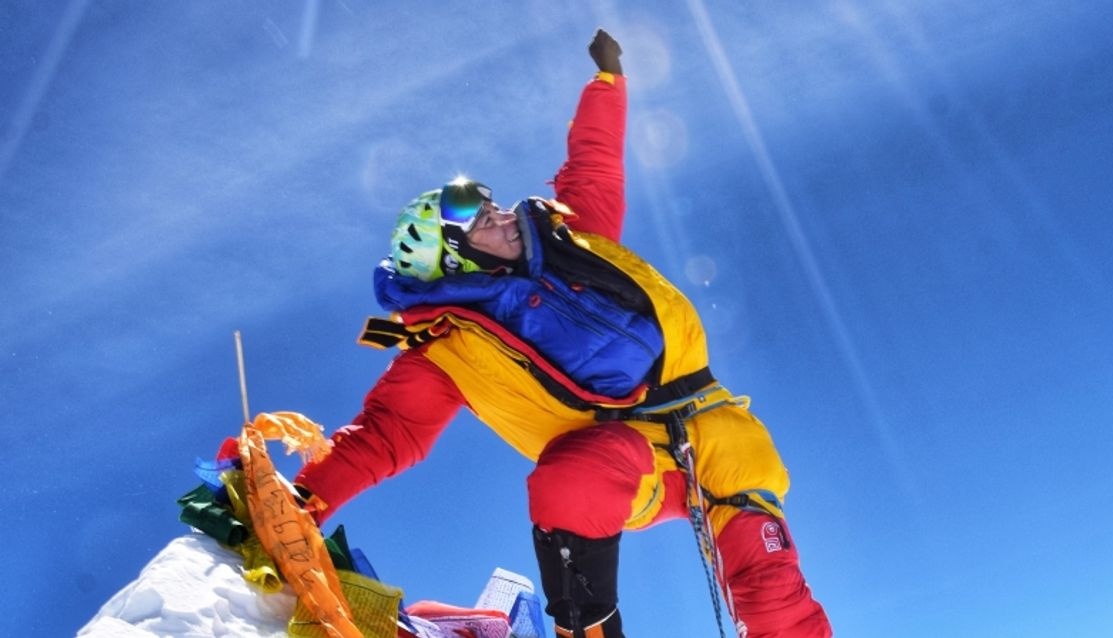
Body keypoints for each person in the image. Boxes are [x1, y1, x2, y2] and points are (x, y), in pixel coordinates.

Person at [293, 29, 832, 638]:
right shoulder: (447, 345)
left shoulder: (567, 238)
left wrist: (607, 81)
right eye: (472, 220)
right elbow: (383, 435)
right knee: (569, 480)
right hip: (631, 462)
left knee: (774, 598)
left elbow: (594, 162)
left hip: (715, 430)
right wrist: (301, 504)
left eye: (484, 199)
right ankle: (589, 630)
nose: (495, 211)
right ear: (456, 260)